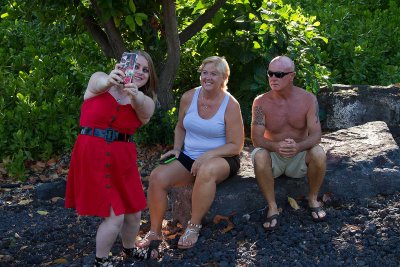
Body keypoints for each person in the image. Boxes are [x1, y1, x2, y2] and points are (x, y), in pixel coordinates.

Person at [135, 56, 244, 252]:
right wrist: (177, 149)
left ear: (223, 78)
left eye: (214, 74)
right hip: (189, 155)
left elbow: (236, 145)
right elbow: (180, 127)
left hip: (223, 157)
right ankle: (154, 231)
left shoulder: (231, 104)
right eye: (204, 72)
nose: (207, 77)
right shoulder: (189, 97)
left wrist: (206, 156)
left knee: (206, 171)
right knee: (157, 177)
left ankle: (193, 226)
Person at [65, 50, 158, 266]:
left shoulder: (145, 100)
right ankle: (101, 260)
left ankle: (129, 250)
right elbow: (98, 82)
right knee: (115, 215)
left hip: (122, 159)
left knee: (134, 212)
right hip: (92, 156)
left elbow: (145, 111)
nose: (140, 72)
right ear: (123, 64)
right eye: (136, 66)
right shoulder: (99, 80)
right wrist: (109, 80)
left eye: (146, 70)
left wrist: (135, 94)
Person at [251, 55, 327, 231]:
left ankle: (313, 198)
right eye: (270, 73)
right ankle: (272, 206)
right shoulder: (260, 102)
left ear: (292, 76)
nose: (273, 78)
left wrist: (298, 146)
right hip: (273, 158)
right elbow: (257, 139)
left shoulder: (308, 99)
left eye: (279, 74)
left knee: (319, 152)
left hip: (299, 156)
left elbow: (316, 136)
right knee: (259, 155)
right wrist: (276, 146)